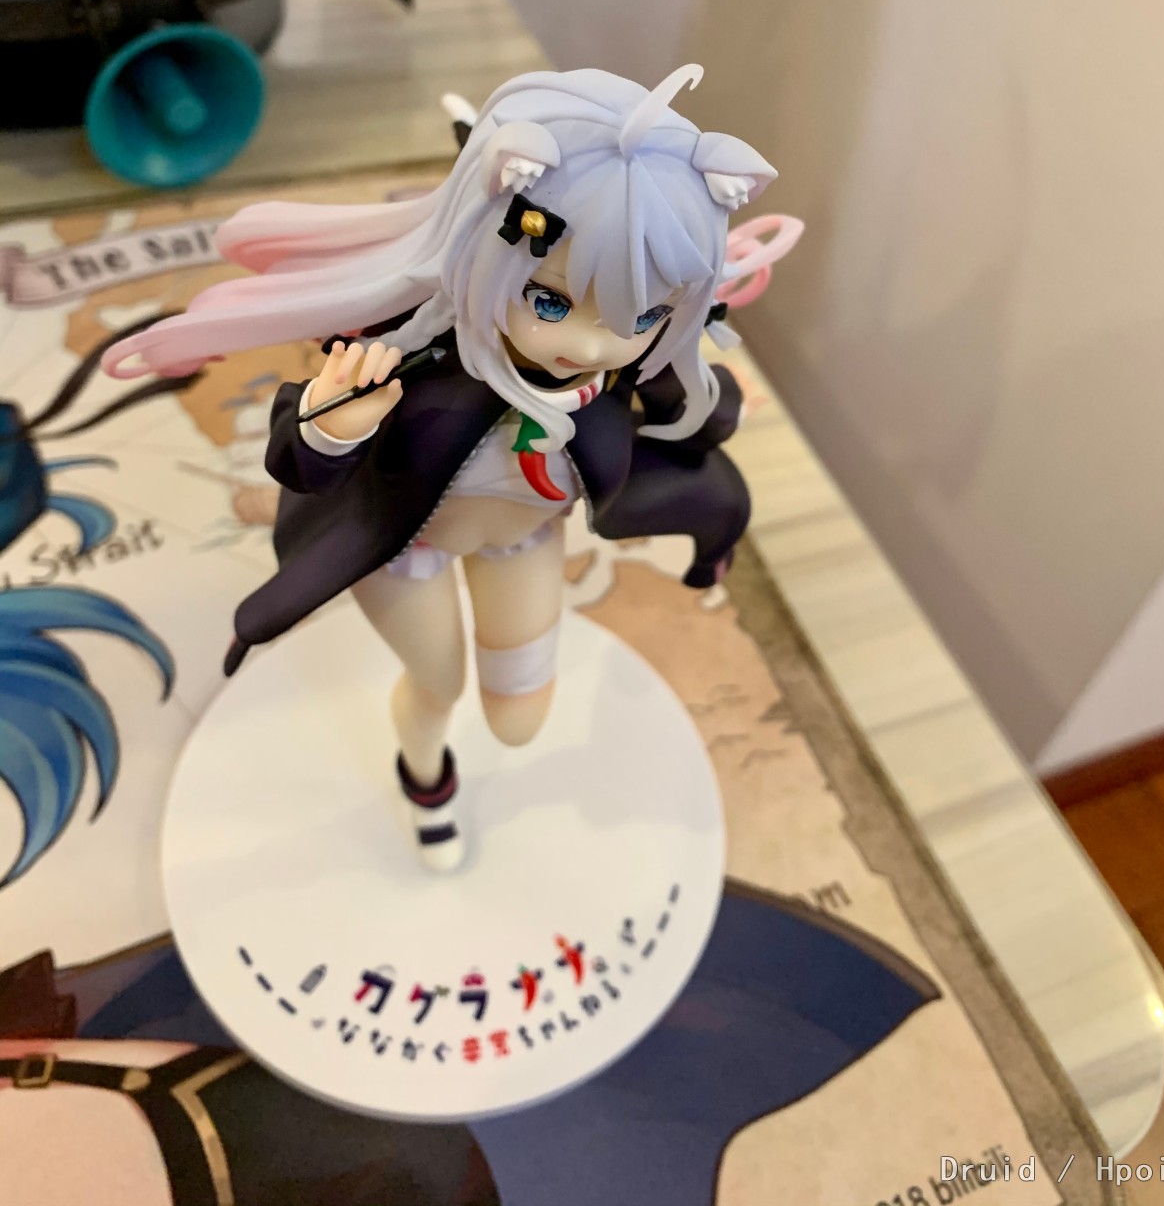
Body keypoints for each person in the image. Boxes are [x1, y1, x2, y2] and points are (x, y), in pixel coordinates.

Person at [103, 65, 797, 870]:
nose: (589, 344)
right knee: (438, 688)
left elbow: (689, 419)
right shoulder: (414, 350)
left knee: (518, 717)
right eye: (548, 301)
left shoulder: (630, 371)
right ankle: (426, 781)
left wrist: (710, 400)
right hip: (406, 548)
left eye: (638, 316)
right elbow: (300, 461)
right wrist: (334, 423)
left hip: (523, 538)